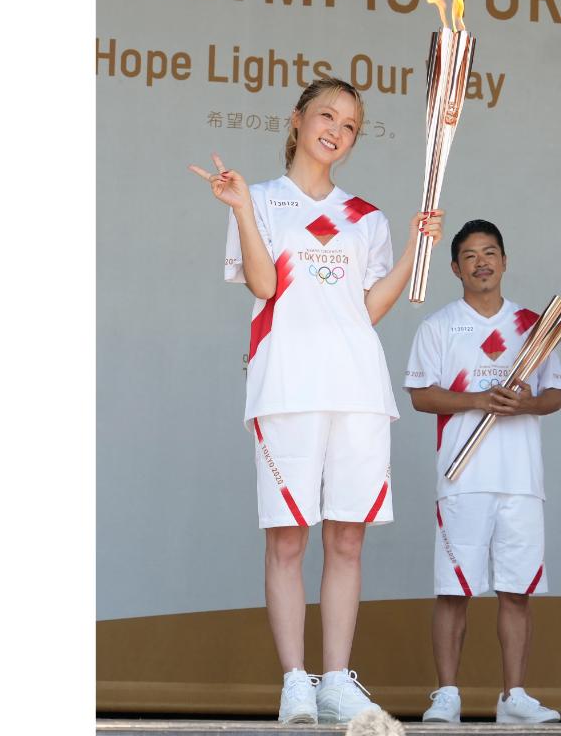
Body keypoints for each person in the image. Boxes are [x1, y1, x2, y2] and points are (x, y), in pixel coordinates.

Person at [189, 77, 444, 725]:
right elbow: (263, 283)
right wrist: (240, 210)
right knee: (287, 539)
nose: (336, 130)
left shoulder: (366, 218)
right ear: (297, 120)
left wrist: (415, 250)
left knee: (348, 538)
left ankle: (335, 678)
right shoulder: (260, 199)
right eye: (327, 115)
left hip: (357, 388)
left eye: (350, 124)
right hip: (287, 385)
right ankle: (295, 681)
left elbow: (368, 309)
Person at [403, 219, 561, 724]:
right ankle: (447, 695)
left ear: (504, 260)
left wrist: (525, 404)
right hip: (463, 478)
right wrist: (478, 399)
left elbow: (554, 396)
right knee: (454, 589)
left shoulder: (535, 325)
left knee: (517, 590)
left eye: (490, 252)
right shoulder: (438, 327)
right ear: (456, 268)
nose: (481, 263)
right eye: (470, 256)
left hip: (520, 479)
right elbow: (420, 395)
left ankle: (513, 696)